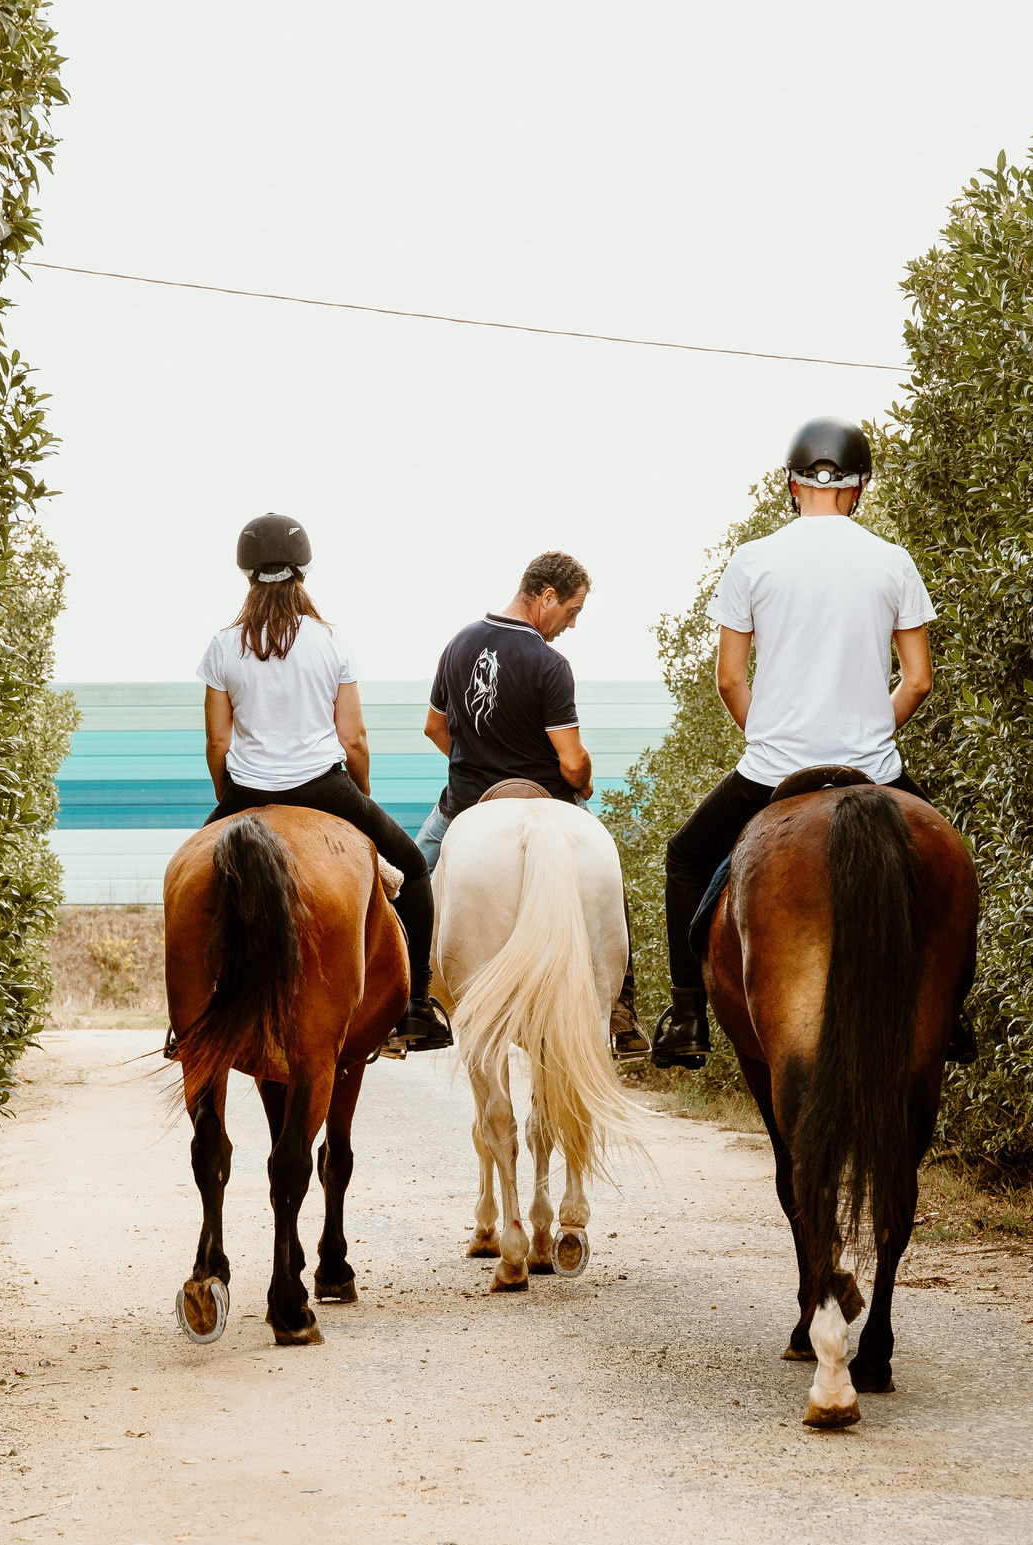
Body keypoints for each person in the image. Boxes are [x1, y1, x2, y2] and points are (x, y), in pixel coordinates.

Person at [651, 418, 973, 1069]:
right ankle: (953, 1012)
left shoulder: (753, 560)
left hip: (772, 770)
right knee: (952, 864)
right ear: (859, 489)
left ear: (793, 485)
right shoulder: (893, 561)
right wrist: (867, 730)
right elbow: (918, 681)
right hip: (873, 767)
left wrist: (773, 733)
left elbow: (729, 678)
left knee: (686, 857)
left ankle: (687, 1017)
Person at [197, 512, 451, 1050]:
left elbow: (218, 744)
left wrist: (232, 799)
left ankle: (191, 1016)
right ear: (302, 573)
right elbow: (354, 738)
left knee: (189, 883)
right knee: (412, 868)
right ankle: (414, 1008)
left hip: (247, 792)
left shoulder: (222, 646)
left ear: (247, 576)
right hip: (323, 787)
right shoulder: (332, 641)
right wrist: (360, 797)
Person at [416, 553, 648, 1059]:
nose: (571, 624)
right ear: (546, 597)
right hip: (549, 799)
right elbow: (569, 762)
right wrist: (585, 780)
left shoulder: (457, 645)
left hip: (464, 805)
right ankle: (622, 1012)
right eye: (572, 610)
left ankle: (408, 1004)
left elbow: (436, 728)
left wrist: (475, 759)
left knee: (409, 880)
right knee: (610, 877)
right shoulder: (549, 664)